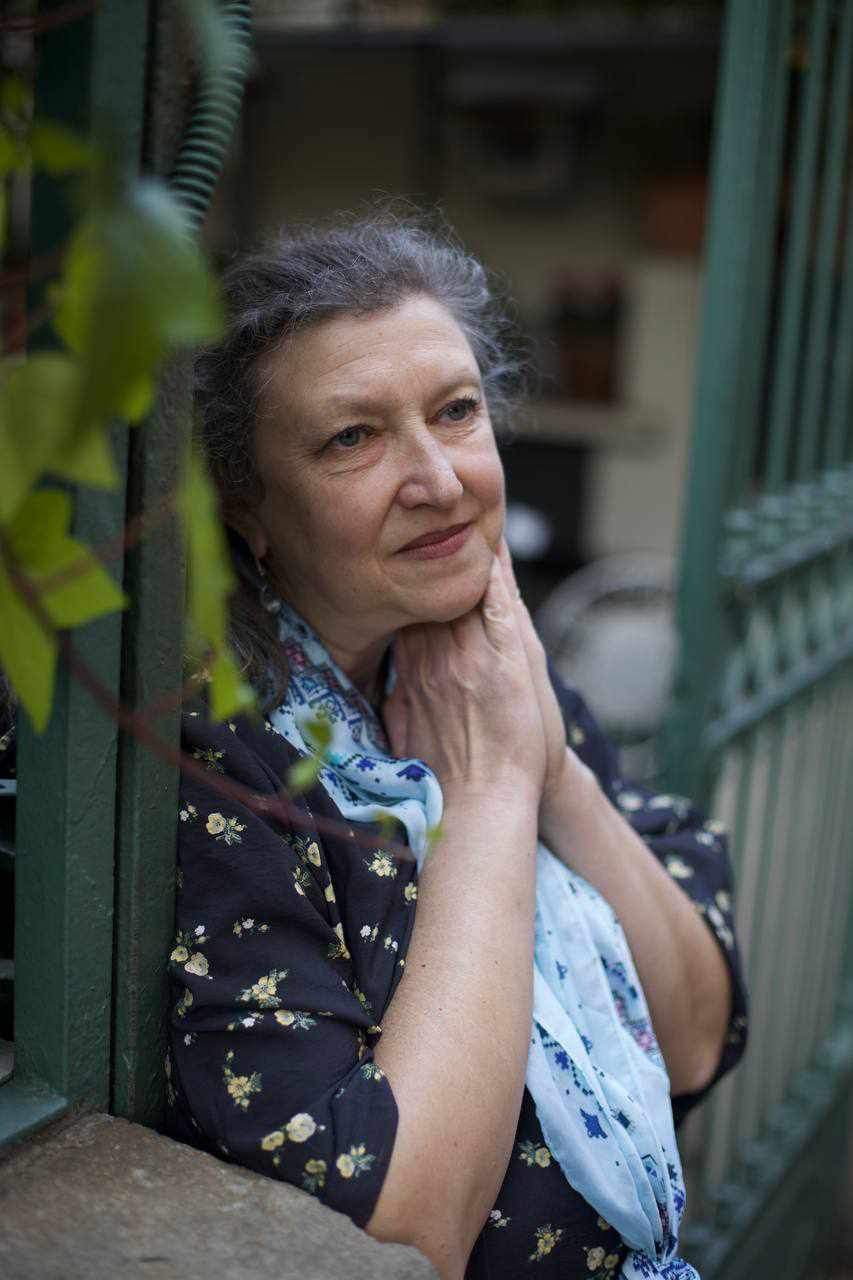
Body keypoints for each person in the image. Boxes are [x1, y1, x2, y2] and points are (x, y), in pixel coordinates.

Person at [166, 214, 747, 1280]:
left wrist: (552, 771)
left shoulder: (484, 671)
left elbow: (696, 1038)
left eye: (456, 411)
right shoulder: (228, 764)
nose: (439, 478)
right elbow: (402, 1231)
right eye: (353, 438)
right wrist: (488, 798)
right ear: (249, 508)